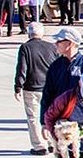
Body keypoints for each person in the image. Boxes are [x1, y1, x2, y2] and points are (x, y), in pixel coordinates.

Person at [40, 27, 83, 127]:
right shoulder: (55, 66)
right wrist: (44, 123)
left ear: (70, 43)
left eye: (59, 41)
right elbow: (47, 95)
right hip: (60, 123)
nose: (55, 44)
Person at [14, 22, 59, 156]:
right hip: (50, 87)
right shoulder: (51, 47)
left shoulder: (25, 48)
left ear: (29, 33)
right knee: (51, 116)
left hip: (32, 87)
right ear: (42, 33)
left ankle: (39, 146)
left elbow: (22, 69)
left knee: (33, 117)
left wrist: (18, 86)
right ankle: (52, 143)